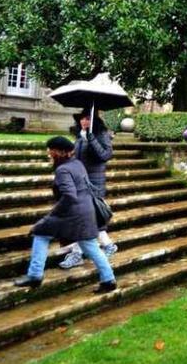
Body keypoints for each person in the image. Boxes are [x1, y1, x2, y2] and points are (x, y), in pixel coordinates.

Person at [13, 136, 117, 293]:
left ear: (58, 152)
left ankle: (34, 276)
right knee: (90, 246)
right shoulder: (77, 163)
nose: (48, 153)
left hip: (72, 213)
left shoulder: (63, 169)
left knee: (40, 232)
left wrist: (52, 214)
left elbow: (69, 196)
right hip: (85, 211)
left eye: (50, 150)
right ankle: (109, 280)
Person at [59, 109, 117, 269]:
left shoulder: (100, 134)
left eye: (87, 119)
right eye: (82, 119)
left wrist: (91, 139)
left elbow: (105, 155)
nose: (84, 122)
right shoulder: (80, 136)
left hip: (94, 184)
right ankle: (107, 245)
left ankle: (78, 254)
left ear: (94, 121)